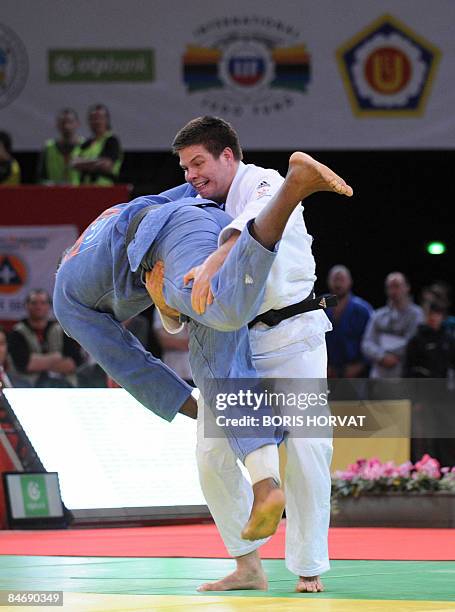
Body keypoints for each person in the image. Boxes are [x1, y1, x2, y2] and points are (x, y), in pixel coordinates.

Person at [53, 152, 352, 549]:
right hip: (206, 222)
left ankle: (292, 191)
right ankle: (252, 547)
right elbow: (189, 195)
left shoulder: (68, 303)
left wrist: (195, 408)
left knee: (218, 312)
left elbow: (132, 366)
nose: (192, 173)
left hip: (176, 245)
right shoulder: (107, 219)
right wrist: (165, 307)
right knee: (218, 342)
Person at [149, 116, 352, 593]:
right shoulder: (194, 209)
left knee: (308, 449)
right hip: (233, 345)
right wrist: (165, 305)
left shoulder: (267, 182)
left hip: (293, 338)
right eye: (183, 167)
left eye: (198, 162)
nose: (190, 175)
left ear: (228, 155)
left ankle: (308, 565)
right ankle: (247, 564)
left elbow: (256, 227)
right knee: (211, 455)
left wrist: (215, 260)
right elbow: (187, 299)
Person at [404, 299, 455, 466]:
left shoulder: (448, 338)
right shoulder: (417, 340)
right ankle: (424, 472)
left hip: (445, 396)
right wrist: (415, 399)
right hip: (423, 396)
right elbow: (408, 372)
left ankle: (447, 471)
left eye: (437, 314)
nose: (434, 318)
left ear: (442, 316)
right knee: (424, 438)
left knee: (446, 436)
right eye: (431, 314)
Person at [7, 289, 84, 387]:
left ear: (49, 306)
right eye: (34, 303)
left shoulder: (62, 330)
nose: (38, 307)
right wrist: (57, 357)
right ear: (27, 305)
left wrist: (39, 362)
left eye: (43, 303)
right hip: (28, 388)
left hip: (63, 386)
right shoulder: (17, 332)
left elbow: (74, 363)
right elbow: (25, 365)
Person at [362, 272, 423, 379]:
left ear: (407, 287)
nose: (394, 291)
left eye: (397, 286)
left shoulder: (416, 314)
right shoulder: (378, 315)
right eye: (390, 287)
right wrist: (382, 356)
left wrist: (392, 355)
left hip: (404, 373)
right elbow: (367, 343)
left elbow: (413, 341)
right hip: (379, 374)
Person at [326, 265, 373, 378]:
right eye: (335, 279)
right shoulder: (320, 306)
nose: (338, 284)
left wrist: (361, 365)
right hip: (326, 369)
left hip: (355, 370)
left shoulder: (363, 309)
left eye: (341, 279)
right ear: (328, 281)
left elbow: (372, 339)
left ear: (350, 282)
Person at [71, 104, 122, 185]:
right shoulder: (84, 144)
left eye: (100, 118)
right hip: (83, 189)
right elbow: (74, 163)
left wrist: (84, 163)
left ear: (106, 120)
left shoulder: (111, 141)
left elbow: (106, 166)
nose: (96, 122)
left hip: (105, 189)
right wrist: (97, 162)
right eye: (93, 119)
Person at [38, 108, 83, 185]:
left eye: (70, 122)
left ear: (77, 124)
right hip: (54, 193)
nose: (66, 126)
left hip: (80, 193)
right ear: (57, 125)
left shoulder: (85, 145)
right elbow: (40, 178)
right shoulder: (49, 147)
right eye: (63, 123)